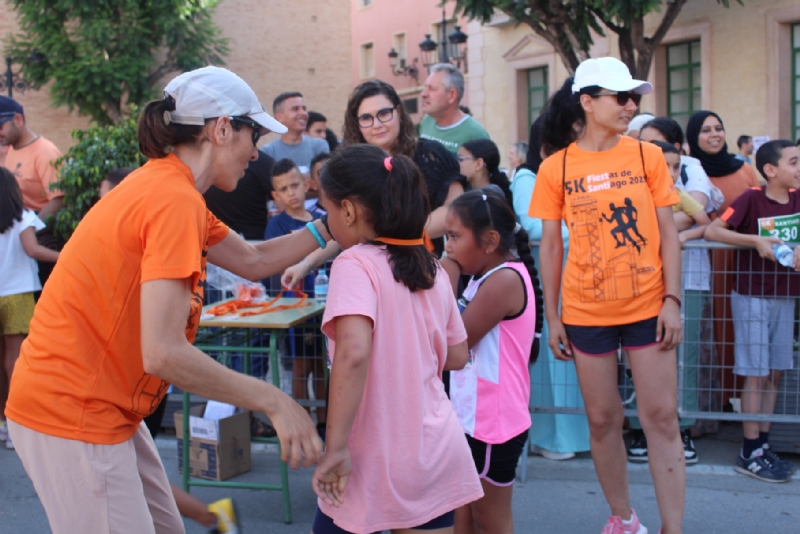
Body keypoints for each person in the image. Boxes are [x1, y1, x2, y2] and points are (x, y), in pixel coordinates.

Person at [5, 66, 327, 534]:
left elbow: (255, 260)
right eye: (251, 134)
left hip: (101, 406)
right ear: (221, 128)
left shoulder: (172, 189)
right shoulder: (172, 199)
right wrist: (275, 402)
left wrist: (330, 227)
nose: (255, 153)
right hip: (73, 409)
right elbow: (162, 353)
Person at [529, 57, 685, 534]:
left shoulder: (647, 156)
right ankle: (624, 519)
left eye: (633, 96)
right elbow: (552, 245)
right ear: (588, 102)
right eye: (620, 97)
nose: (630, 105)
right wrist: (553, 318)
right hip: (585, 312)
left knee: (660, 417)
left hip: (648, 307)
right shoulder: (555, 168)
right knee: (602, 420)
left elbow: (669, 233)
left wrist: (673, 301)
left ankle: (673, 528)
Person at [310, 144, 482, 533]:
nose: (328, 220)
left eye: (328, 210)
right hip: (433, 450)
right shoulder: (433, 268)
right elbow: (456, 354)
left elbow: (354, 353)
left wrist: (335, 448)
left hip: (369, 454)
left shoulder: (354, 264)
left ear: (349, 211)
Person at [98, 165, 241, 532]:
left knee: (132, 473)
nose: (107, 207)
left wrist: (272, 400)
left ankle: (209, 514)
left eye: (112, 198)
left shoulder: (164, 222)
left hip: (137, 382)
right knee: (136, 474)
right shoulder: (122, 242)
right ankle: (209, 514)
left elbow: (161, 347)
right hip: (130, 381)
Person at [281, 79, 464, 287]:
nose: (377, 124)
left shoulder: (432, 154)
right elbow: (341, 226)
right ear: (356, 123)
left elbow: (455, 210)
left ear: (398, 112)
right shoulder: (349, 167)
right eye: (366, 118)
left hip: (426, 272)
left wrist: (393, 231)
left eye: (384, 113)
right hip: (370, 277)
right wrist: (306, 264)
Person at [442, 188, 540, 534]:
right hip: (474, 417)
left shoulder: (503, 281)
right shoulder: (488, 276)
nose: (448, 246)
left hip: (491, 423)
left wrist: (448, 270)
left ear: (490, 240)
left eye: (454, 237)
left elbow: (454, 346)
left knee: (490, 521)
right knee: (462, 519)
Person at [704, 139, 800, 483]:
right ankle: (749, 450)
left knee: (774, 373)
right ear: (771, 170)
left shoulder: (798, 199)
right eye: (794, 162)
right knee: (755, 373)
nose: (799, 168)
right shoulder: (751, 199)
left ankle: (763, 444)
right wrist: (755, 240)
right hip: (751, 296)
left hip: (786, 296)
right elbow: (715, 230)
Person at [509, 112, 590, 461]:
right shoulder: (527, 177)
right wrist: (587, 228)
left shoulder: (569, 173)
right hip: (548, 278)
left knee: (573, 362)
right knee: (553, 362)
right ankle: (553, 438)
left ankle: (573, 436)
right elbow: (533, 225)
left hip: (575, 276)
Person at [686, 110, 761, 429]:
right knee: (711, 326)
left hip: (742, 260)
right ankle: (712, 401)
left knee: (739, 327)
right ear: (694, 136)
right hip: (706, 262)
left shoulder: (744, 169)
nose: (714, 134)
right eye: (706, 130)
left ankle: (737, 401)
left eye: (719, 128)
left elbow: (759, 208)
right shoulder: (692, 171)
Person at [0, 167, 60, 451]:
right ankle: (15, 426)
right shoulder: (22, 217)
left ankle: (0, 423)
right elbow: (33, 250)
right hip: (18, 293)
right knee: (15, 360)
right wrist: (67, 256)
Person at [0, 96, 64, 221]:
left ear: (18, 120)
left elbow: (59, 199)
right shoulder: (10, 148)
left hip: (39, 230)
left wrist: (32, 230)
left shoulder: (45, 153)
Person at [203, 151, 275, 241]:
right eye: (253, 137)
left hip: (257, 243)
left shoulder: (262, 163)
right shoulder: (199, 168)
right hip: (213, 244)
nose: (255, 154)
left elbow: (286, 196)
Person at [419, 63, 489, 153]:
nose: (423, 94)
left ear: (451, 95)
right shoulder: (427, 121)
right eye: (425, 87)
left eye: (432, 89)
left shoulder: (475, 134)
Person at [260, 92, 329, 176]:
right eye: (295, 109)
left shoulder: (319, 146)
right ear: (280, 117)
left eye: (304, 108)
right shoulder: (268, 152)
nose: (303, 113)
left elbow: (323, 181)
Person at [457, 138, 512, 203]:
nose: (456, 163)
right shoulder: (468, 191)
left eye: (461, 159)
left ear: (479, 164)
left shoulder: (489, 197)